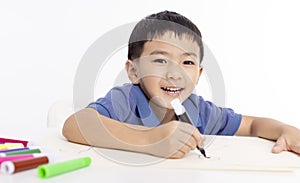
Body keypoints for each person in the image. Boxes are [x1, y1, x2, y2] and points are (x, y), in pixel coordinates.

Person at [62, 10, 300, 159]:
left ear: (198, 73)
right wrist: (150, 139)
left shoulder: (198, 110)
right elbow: (75, 125)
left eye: (186, 62)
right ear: (134, 71)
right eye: (160, 60)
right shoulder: (126, 100)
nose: (175, 73)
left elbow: (252, 125)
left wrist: (285, 130)